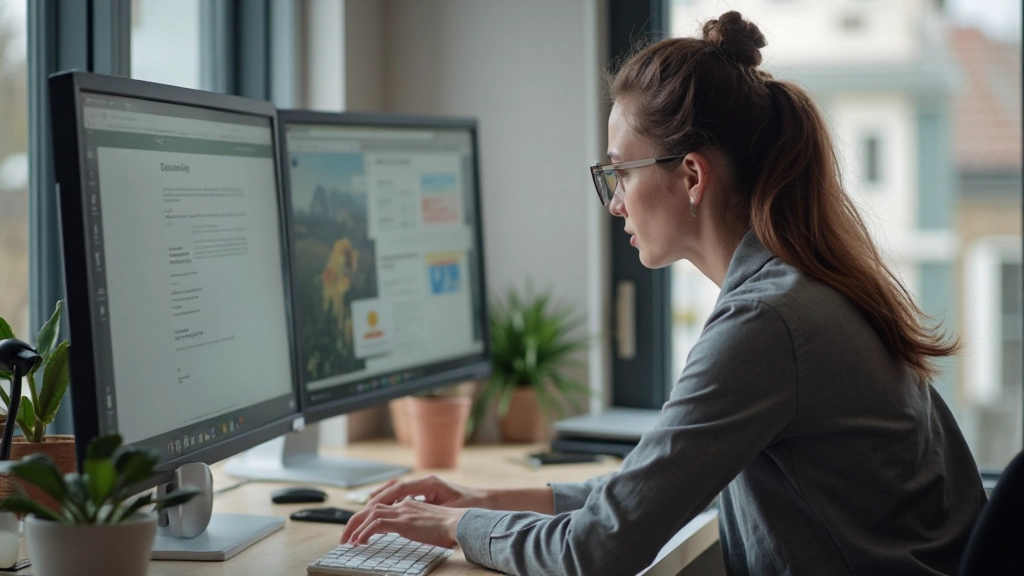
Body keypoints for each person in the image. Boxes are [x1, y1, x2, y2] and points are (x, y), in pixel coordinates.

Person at [340, 11, 986, 575]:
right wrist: (482, 501)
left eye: (620, 171)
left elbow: (596, 552)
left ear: (692, 176)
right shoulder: (802, 291)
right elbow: (653, 494)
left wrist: (454, 529)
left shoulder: (767, 324)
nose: (615, 202)